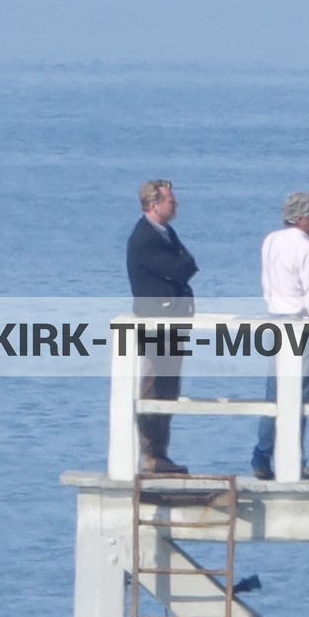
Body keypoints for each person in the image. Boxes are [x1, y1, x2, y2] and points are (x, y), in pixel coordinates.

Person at [250, 192, 309, 481]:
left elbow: (267, 281)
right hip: (301, 323)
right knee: (300, 392)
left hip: (276, 321)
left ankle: (262, 454)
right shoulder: (305, 248)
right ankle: (294, 458)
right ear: (302, 218)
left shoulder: (271, 241)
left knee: (275, 392)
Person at [126, 179, 197, 474]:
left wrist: (179, 268)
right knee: (155, 385)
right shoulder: (144, 238)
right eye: (170, 199)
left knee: (170, 386)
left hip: (174, 321)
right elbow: (179, 267)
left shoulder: (166, 233)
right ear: (153, 205)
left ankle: (161, 453)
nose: (175, 203)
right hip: (156, 322)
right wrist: (177, 268)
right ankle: (152, 454)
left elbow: (189, 265)